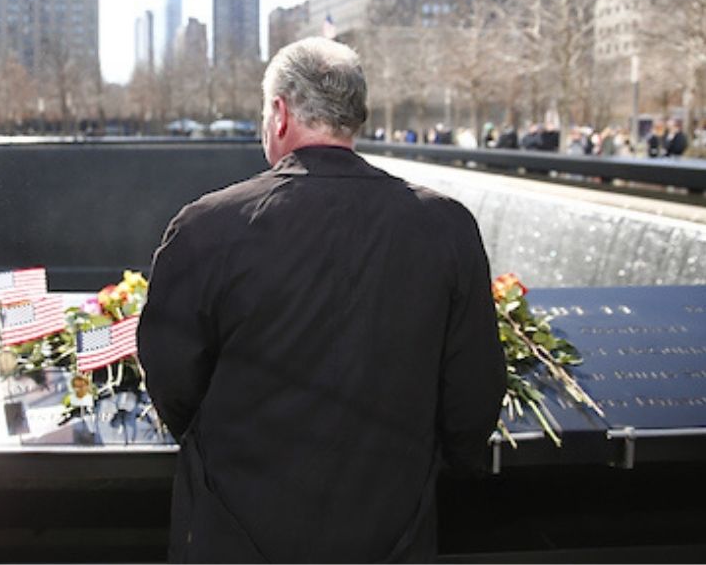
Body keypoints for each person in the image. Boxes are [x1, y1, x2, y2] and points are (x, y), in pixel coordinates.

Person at [138, 37, 506, 563]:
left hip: (236, 532)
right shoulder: (446, 226)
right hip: (392, 534)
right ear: (353, 116)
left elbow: (173, 380)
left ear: (280, 114)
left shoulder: (207, 227)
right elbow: (473, 394)